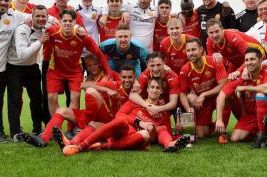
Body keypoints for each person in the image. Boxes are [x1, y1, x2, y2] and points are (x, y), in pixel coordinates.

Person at [61, 77, 190, 156]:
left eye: (158, 88)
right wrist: (139, 122)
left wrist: (175, 137)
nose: (155, 90)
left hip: (138, 138)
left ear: (161, 91)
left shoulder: (162, 112)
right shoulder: (135, 101)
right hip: (122, 131)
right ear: (148, 89)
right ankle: (76, 144)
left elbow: (165, 130)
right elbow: (119, 115)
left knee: (154, 131)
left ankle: (170, 145)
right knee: (119, 121)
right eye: (152, 87)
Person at [22, 63, 133, 148]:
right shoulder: (114, 84)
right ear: (120, 77)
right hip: (95, 116)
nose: (127, 80)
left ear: (134, 77)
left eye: (130, 77)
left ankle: (72, 139)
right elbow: (83, 84)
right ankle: (43, 139)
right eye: (124, 77)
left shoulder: (137, 91)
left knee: (92, 99)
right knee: (62, 110)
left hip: (109, 123)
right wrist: (107, 90)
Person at [43, 10, 110, 116]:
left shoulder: (83, 36)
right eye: (64, 20)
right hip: (56, 70)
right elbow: (45, 45)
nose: (67, 23)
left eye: (70, 21)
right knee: (51, 97)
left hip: (74, 71)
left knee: (75, 97)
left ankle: (71, 128)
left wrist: (109, 72)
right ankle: (55, 126)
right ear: (60, 22)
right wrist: (45, 58)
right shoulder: (52, 31)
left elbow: (98, 53)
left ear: (75, 23)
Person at [215, 47, 267, 148]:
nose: (249, 62)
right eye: (247, 60)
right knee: (236, 138)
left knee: (260, 95)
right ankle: (259, 130)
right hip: (251, 115)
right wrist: (219, 119)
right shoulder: (242, 77)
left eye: (252, 59)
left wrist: (245, 88)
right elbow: (221, 95)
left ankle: (264, 134)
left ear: (260, 60)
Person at [6, 5, 49, 139]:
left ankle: (37, 129)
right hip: (14, 67)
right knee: (15, 100)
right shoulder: (22, 30)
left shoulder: (46, 29)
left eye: (43, 16)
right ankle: (15, 133)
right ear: (32, 17)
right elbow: (22, 55)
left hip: (32, 67)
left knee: (37, 99)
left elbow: (58, 21)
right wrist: (40, 41)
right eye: (38, 16)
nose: (41, 19)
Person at [179, 38, 230, 142]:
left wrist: (204, 94)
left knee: (228, 95)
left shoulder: (214, 61)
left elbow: (223, 84)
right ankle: (212, 126)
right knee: (201, 134)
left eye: (194, 49)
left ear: (201, 49)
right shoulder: (185, 69)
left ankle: (222, 131)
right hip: (202, 102)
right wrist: (188, 110)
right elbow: (183, 93)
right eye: (188, 51)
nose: (191, 53)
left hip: (216, 96)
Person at [129, 52, 180, 132]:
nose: (155, 69)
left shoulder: (172, 76)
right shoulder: (145, 75)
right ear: (147, 65)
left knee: (167, 131)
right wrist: (149, 107)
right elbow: (132, 95)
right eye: (152, 65)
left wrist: (158, 109)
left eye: (158, 65)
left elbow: (173, 103)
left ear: (164, 63)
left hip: (167, 107)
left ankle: (181, 121)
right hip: (150, 105)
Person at [0, 0, 26, 142]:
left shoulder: (15, 16)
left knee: (8, 100)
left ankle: (11, 131)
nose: (3, 2)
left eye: (6, 0)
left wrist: (76, 26)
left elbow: (39, 16)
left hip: (3, 68)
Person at [76, 0, 102, 71]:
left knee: (94, 80)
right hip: (79, 52)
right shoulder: (74, 10)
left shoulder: (98, 10)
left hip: (93, 51)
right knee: (79, 80)